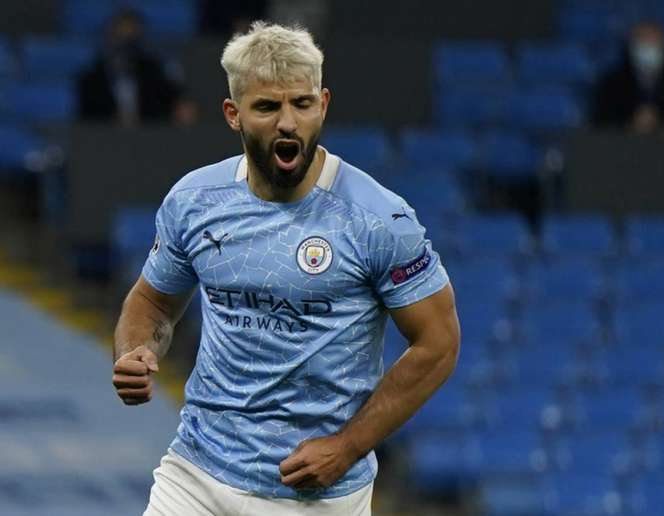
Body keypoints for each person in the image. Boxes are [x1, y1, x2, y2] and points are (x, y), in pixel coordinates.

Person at [111, 21, 460, 516]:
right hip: (196, 475)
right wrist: (136, 350)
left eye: (301, 103)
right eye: (268, 107)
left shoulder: (379, 219)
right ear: (233, 114)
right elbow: (152, 301)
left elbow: (439, 342)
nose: (288, 124)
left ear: (324, 103)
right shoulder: (194, 200)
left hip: (315, 496)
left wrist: (349, 447)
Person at [78, 8, 197, 126]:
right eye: (119, 38)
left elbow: (177, 104)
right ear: (108, 37)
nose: (125, 47)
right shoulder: (90, 81)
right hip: (105, 142)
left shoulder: (154, 73)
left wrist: (181, 108)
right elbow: (86, 124)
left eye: (131, 41)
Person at [591, 21, 664, 133]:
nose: (649, 49)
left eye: (654, 43)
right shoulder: (613, 81)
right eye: (643, 42)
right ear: (631, 46)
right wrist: (630, 123)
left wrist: (659, 121)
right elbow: (602, 123)